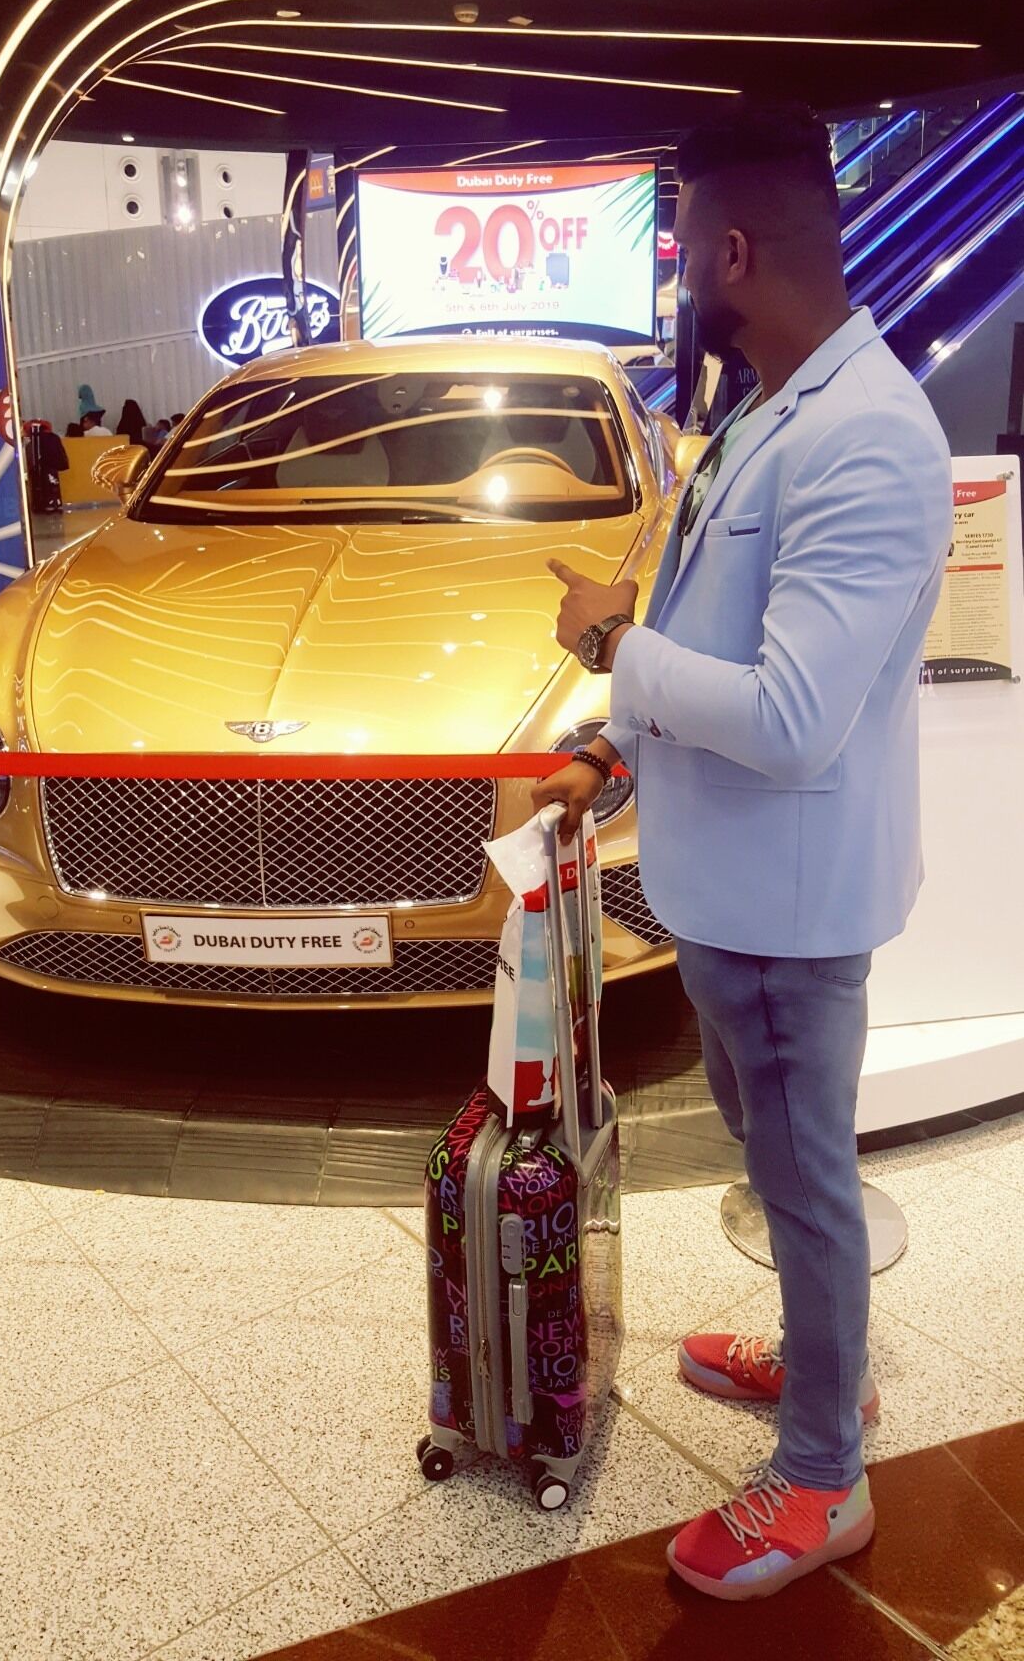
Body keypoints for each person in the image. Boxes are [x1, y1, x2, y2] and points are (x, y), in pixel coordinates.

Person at [535, 103, 952, 1603]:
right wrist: (610, 752)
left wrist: (612, 645)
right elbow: (707, 633)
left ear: (729, 252)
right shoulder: (772, 412)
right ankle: (824, 1366)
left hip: (786, 905)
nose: (673, 282)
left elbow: (787, 714)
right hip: (728, 893)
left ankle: (825, 1476)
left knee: (806, 1178)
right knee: (778, 1164)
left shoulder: (867, 436)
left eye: (677, 253)